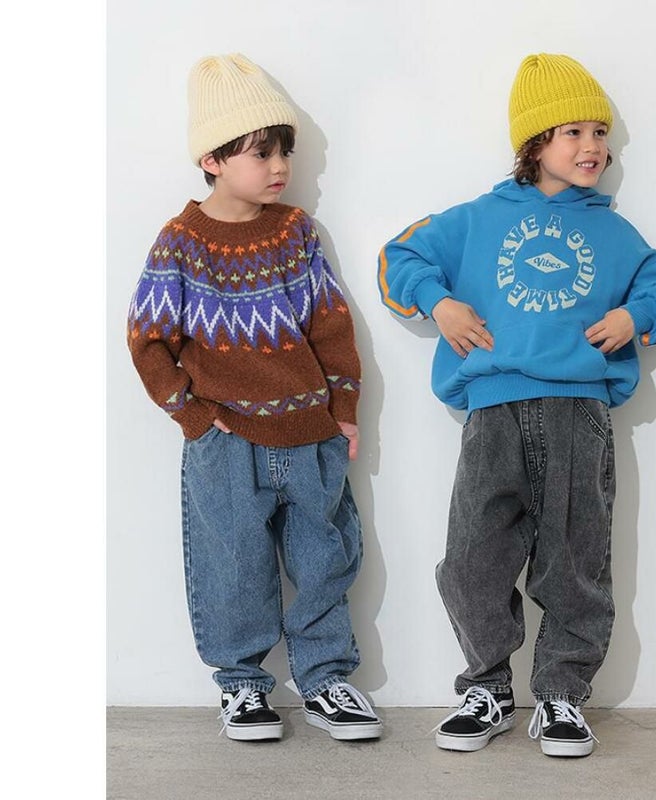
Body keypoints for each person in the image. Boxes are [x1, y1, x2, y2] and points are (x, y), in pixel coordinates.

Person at [377, 53, 656, 757]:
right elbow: (398, 258)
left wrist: (635, 317)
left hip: (579, 413)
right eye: (572, 131)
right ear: (534, 143)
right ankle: (487, 688)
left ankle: (560, 696)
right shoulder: (477, 219)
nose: (592, 146)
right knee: (472, 560)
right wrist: (440, 304)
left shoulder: (616, 234)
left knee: (575, 561)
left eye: (600, 132)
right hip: (493, 412)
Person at [127, 53, 382, 743]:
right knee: (232, 566)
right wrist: (195, 418)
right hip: (225, 442)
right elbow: (148, 340)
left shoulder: (294, 232)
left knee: (324, 561)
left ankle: (325, 679)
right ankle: (241, 686)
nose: (280, 166)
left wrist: (344, 411)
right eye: (261, 151)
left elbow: (330, 325)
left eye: (284, 151)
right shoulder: (180, 243)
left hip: (310, 435)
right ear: (211, 159)